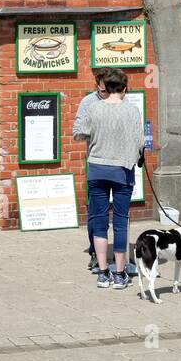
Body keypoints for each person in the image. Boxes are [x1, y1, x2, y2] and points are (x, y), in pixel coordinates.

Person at [77, 67, 143, 289]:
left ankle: (103, 273)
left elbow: (79, 132)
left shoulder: (94, 108)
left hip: (97, 169)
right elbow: (140, 142)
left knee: (100, 221)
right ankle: (120, 274)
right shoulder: (132, 111)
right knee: (121, 222)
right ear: (124, 88)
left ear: (106, 87)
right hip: (122, 171)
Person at [74, 71, 110, 270]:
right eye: (104, 90)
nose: (107, 94)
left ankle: (122, 254)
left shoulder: (122, 100)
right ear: (97, 86)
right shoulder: (88, 102)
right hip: (96, 162)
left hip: (120, 164)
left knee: (121, 215)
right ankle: (95, 251)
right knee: (97, 211)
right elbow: (78, 131)